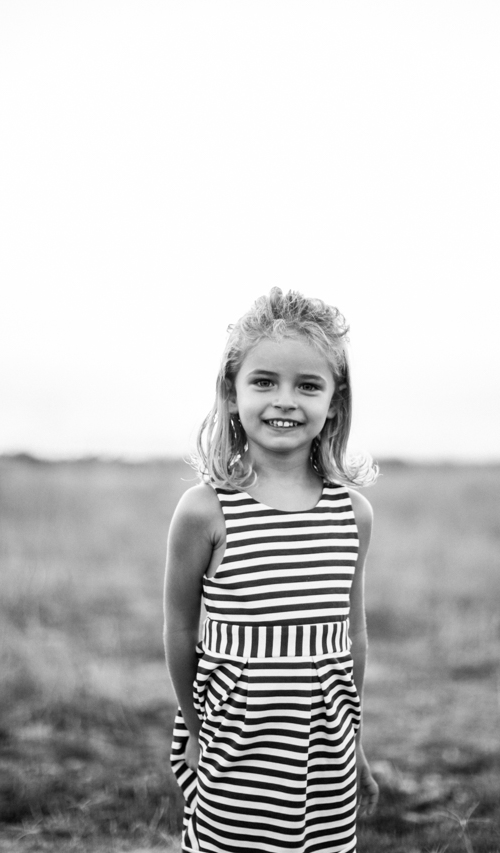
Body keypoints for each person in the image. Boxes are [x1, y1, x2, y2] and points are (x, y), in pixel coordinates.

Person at [164, 288, 380, 852]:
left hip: (326, 746)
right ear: (231, 394)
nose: (285, 401)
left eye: (308, 386)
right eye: (263, 382)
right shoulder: (205, 510)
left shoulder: (352, 513)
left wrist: (354, 743)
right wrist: (193, 729)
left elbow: (352, 634)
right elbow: (180, 629)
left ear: (335, 402)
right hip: (233, 744)